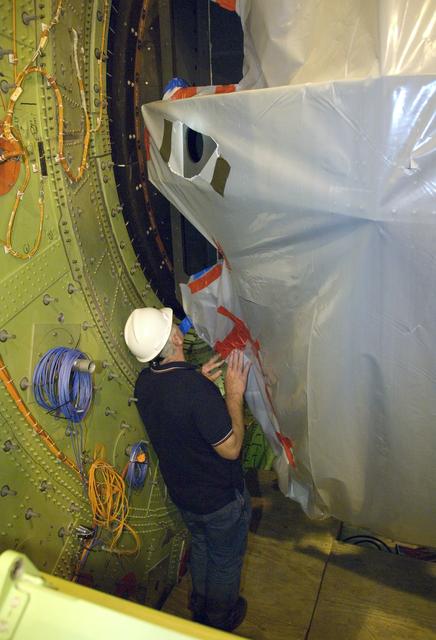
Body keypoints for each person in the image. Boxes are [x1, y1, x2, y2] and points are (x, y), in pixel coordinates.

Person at [124, 306, 252, 632]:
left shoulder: (144, 385)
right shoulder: (196, 392)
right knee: (224, 559)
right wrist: (233, 394)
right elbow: (232, 448)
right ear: (177, 337)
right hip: (219, 500)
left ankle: (199, 603)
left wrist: (197, 378)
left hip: (184, 496)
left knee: (202, 547)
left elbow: (177, 403)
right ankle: (219, 620)